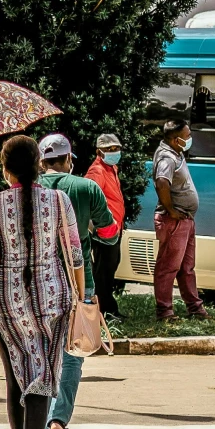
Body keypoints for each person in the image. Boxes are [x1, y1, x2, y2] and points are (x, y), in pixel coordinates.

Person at [0, 132, 82, 429]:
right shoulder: (59, 199)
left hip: (8, 302)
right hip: (54, 298)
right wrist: (81, 295)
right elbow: (75, 254)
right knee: (42, 377)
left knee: (16, 379)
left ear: (5, 170)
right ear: (39, 165)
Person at [38, 133, 117, 429]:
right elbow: (110, 233)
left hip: (36, 285)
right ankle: (58, 422)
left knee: (40, 356)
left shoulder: (26, 192)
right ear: (70, 160)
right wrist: (92, 230)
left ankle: (38, 424)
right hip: (78, 284)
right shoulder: (87, 188)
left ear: (42, 162)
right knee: (72, 356)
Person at [152, 114, 204, 322]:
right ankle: (164, 312)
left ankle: (195, 308)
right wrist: (171, 210)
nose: (190, 139)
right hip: (174, 220)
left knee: (186, 268)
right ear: (175, 140)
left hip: (185, 219)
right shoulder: (166, 157)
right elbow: (162, 183)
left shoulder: (176, 152)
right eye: (187, 136)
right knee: (168, 267)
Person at [86, 132, 127, 319]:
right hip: (104, 231)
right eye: (109, 149)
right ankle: (104, 311)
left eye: (116, 148)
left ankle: (108, 308)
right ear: (98, 152)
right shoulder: (97, 171)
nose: (114, 152)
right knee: (103, 272)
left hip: (114, 229)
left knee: (109, 269)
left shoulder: (112, 168)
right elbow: (90, 199)